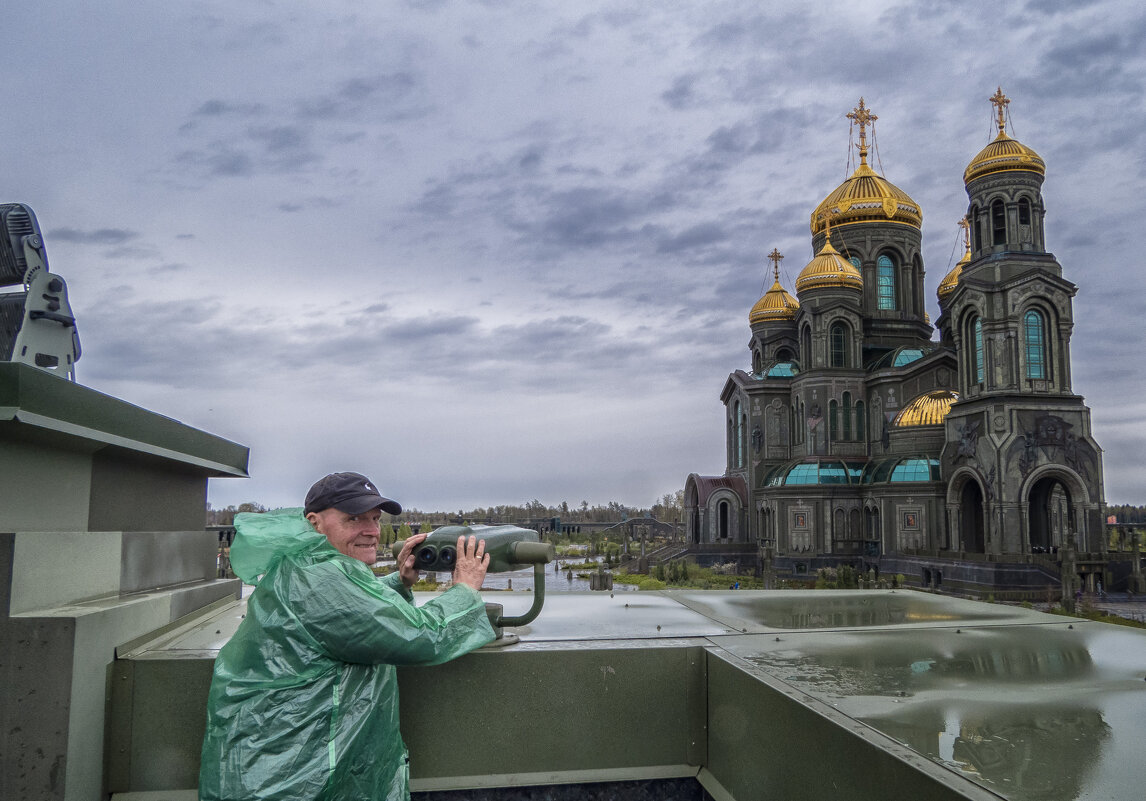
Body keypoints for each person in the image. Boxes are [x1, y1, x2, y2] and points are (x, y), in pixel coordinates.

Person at [199, 472, 494, 801]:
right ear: (315, 522)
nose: (371, 531)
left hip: (276, 770)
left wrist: (400, 582)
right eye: (354, 518)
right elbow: (424, 635)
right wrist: (465, 589)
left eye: (375, 518)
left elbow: (350, 614)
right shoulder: (321, 579)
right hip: (295, 782)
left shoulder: (306, 564)